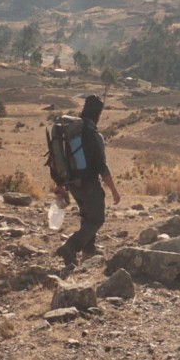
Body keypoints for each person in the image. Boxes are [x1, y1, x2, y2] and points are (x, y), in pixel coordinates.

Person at [54, 95, 121, 268]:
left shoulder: (71, 132)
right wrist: (114, 190)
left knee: (87, 216)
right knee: (97, 219)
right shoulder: (93, 135)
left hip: (73, 183)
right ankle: (71, 246)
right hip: (89, 184)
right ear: (97, 114)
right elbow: (102, 167)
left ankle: (89, 251)